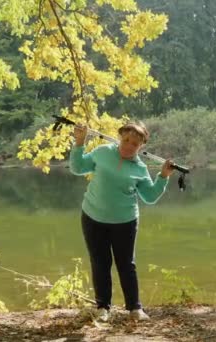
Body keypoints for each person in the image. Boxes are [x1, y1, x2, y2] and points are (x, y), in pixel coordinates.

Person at [70, 122, 174, 322]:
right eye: (126, 140)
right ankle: (103, 308)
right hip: (93, 217)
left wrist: (163, 176)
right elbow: (77, 167)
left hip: (125, 221)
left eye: (134, 144)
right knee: (100, 263)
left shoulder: (140, 169)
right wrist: (80, 142)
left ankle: (135, 309)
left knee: (126, 264)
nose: (129, 146)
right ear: (120, 137)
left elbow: (150, 197)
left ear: (141, 146)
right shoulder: (102, 153)